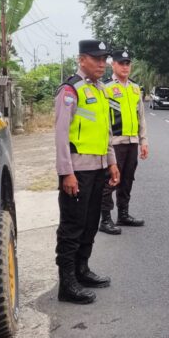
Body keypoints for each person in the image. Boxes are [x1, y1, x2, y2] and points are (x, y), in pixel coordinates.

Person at [54, 40, 120, 304]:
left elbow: (105, 132)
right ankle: (67, 283)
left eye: (104, 59)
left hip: (99, 169)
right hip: (77, 171)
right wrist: (66, 172)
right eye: (96, 59)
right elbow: (60, 135)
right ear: (82, 60)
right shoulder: (71, 90)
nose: (102, 64)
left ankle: (82, 270)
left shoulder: (102, 91)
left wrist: (112, 162)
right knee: (72, 226)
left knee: (91, 223)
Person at [99, 48, 149, 235]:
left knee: (127, 179)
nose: (125, 67)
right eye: (121, 63)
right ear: (113, 64)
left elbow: (141, 117)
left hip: (132, 141)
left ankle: (123, 214)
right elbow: (103, 118)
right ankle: (105, 219)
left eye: (128, 63)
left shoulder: (135, 88)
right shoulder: (106, 87)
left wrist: (143, 141)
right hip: (114, 143)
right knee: (111, 180)